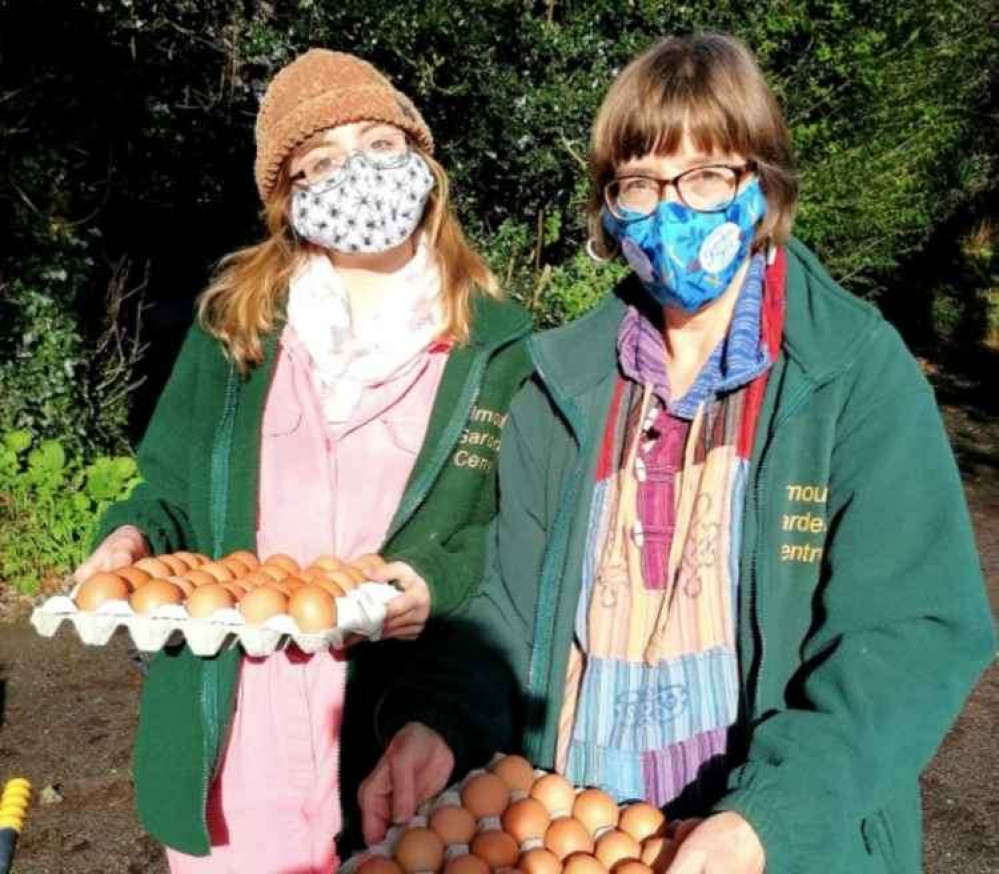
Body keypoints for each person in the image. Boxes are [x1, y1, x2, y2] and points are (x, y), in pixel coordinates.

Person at [359, 33, 996, 874]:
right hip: (577, 830)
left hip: (772, 845)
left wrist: (766, 819)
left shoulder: (848, 374)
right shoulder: (562, 384)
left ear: (760, 185)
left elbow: (912, 633)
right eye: (640, 185)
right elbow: (504, 611)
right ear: (609, 208)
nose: (672, 212)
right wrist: (435, 721)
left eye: (705, 177)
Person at [75, 49, 532, 873]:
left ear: (420, 160)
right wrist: (130, 539)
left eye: (377, 146)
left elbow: (514, 533)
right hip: (237, 723)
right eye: (320, 163)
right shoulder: (235, 334)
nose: (355, 174)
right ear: (288, 201)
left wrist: (435, 575)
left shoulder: (498, 348)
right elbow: (170, 491)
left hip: (398, 724)